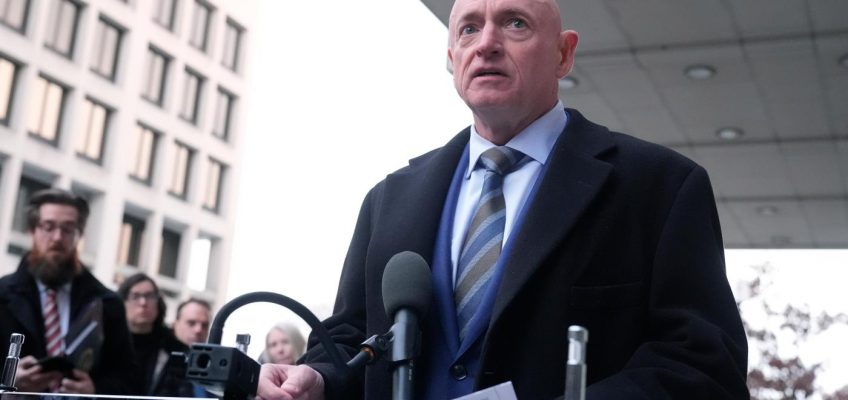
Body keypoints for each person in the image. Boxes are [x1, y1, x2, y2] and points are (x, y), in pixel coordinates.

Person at [257, 0, 749, 398]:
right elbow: (349, 338)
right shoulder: (389, 199)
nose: (487, 43)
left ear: (563, 54)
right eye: (469, 29)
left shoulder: (658, 186)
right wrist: (317, 378)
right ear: (452, 57)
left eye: (515, 23)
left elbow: (704, 364)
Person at [0, 188, 138, 394]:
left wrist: (94, 390)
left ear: (79, 235)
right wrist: (8, 379)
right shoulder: (2, 295)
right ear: (32, 231)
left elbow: (129, 379)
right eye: (48, 227)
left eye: (68, 229)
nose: (57, 237)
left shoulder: (108, 303)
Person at [118, 273, 196, 397]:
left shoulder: (175, 350)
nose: (143, 302)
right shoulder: (109, 342)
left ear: (158, 302)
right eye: (135, 296)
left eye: (149, 296)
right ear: (123, 302)